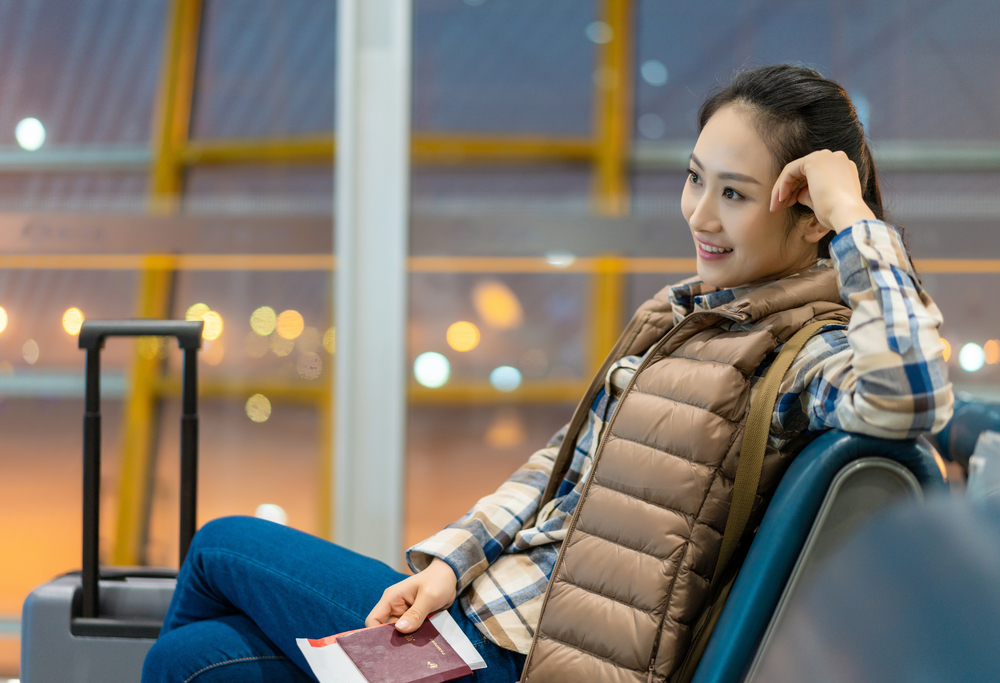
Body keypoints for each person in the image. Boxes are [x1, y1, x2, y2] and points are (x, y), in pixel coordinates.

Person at [142, 64, 953, 683]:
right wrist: (447, 566)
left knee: (220, 547)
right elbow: (561, 466)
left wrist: (856, 214)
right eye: (696, 177)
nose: (700, 215)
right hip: (482, 621)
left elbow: (911, 391)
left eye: (735, 194)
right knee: (194, 659)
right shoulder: (689, 316)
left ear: (808, 213)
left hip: (521, 662)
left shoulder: (802, 352)